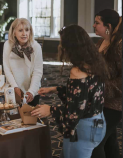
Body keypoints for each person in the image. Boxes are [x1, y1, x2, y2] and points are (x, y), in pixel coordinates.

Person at [31, 25, 109, 158]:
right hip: (99, 122)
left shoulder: (77, 71)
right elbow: (82, 94)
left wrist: (49, 110)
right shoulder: (94, 63)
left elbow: (73, 112)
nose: (61, 47)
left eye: (63, 44)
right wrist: (55, 89)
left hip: (82, 129)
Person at [91, 9, 122, 158]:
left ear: (108, 26)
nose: (93, 25)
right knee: (110, 143)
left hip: (114, 105)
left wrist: (101, 88)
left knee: (96, 143)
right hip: (100, 102)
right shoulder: (100, 42)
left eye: (97, 23)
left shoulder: (119, 46)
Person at [3, 18, 43, 105]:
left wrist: (31, 91)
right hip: (12, 89)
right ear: (14, 32)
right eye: (20, 30)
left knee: (30, 117)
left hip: (32, 91)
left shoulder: (36, 47)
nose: (24, 33)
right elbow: (7, 69)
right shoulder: (8, 45)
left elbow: (38, 71)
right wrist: (15, 87)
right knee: (12, 117)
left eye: (27, 30)